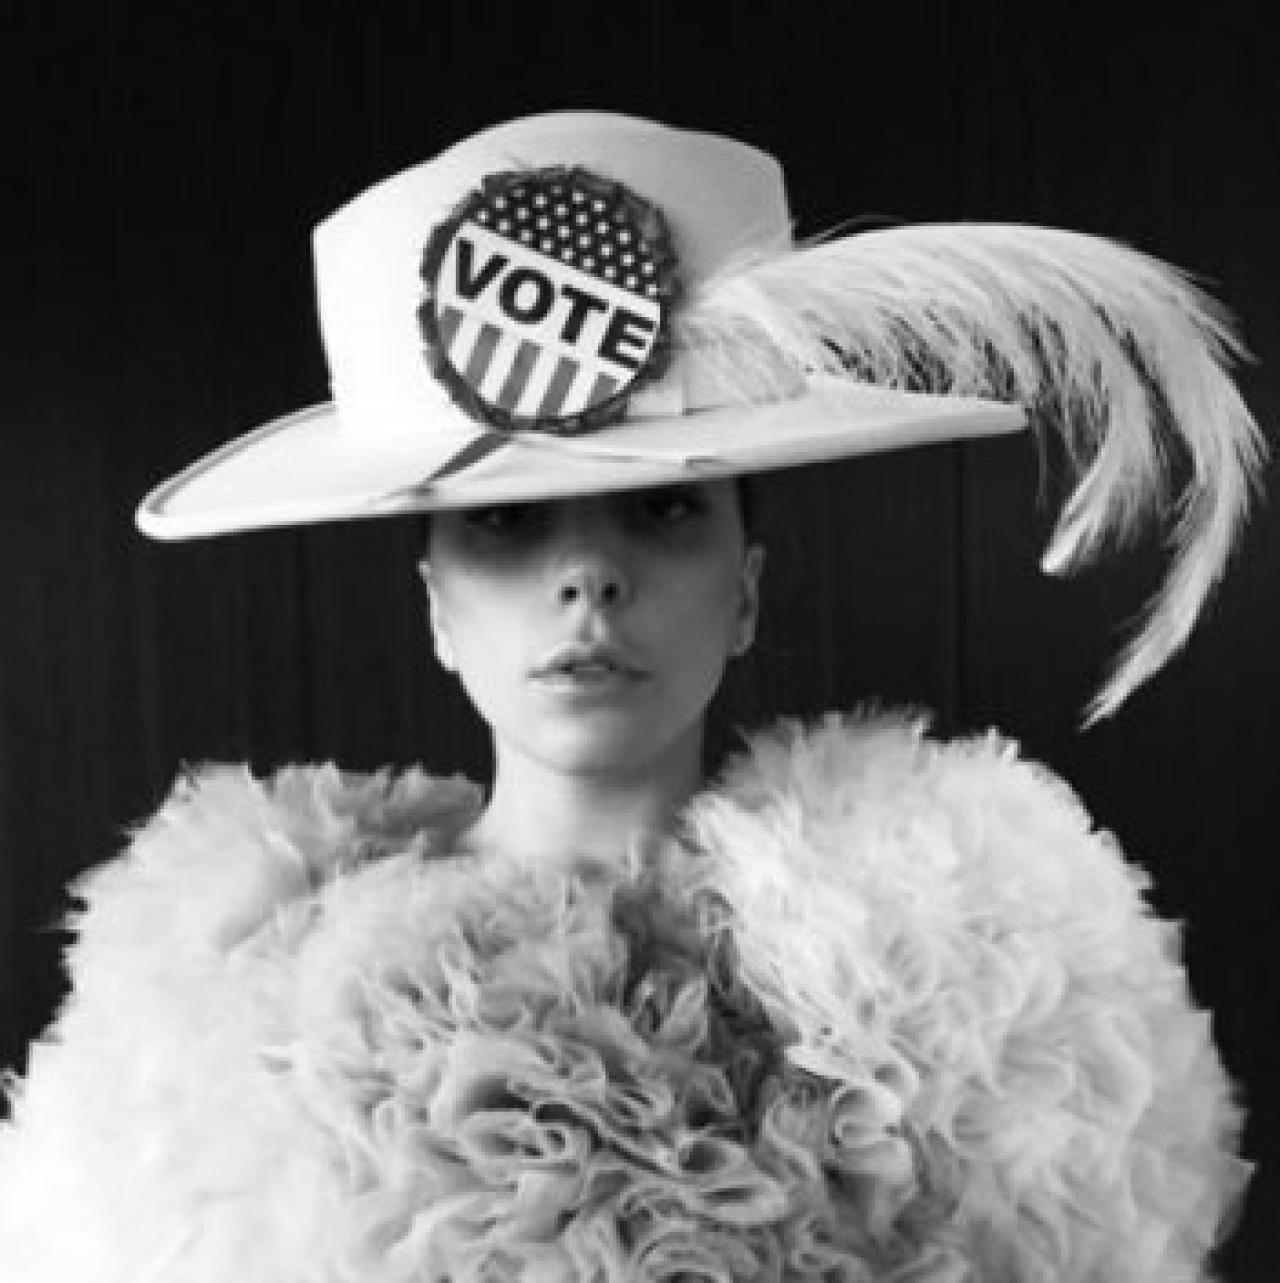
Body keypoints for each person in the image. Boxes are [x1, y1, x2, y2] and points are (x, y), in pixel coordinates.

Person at [0, 111, 1260, 1281]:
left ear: (745, 589)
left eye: (661, 508)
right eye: (504, 521)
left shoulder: (963, 972)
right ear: (436, 607)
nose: (587, 577)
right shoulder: (221, 1001)